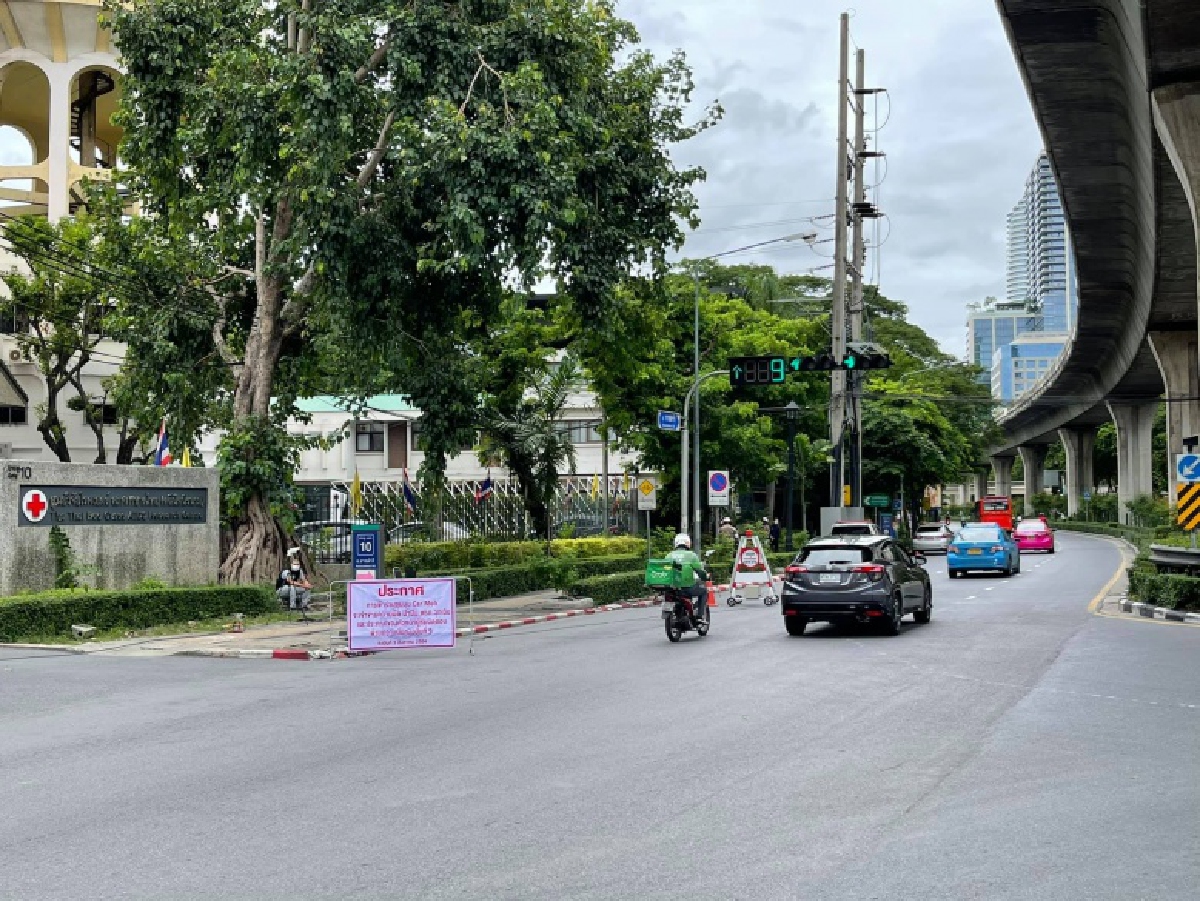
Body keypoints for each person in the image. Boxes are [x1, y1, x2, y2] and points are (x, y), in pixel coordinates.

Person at [665, 533, 708, 608]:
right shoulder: (692, 555)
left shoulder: (669, 555)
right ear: (688, 543)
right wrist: (705, 577)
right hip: (687, 587)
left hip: (672, 588)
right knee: (704, 592)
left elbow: (665, 570)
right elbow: (699, 571)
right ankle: (700, 616)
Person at [277, 547, 312, 613]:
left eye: (297, 564)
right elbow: (290, 581)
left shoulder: (300, 571)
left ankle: (304, 605)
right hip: (282, 589)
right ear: (291, 565)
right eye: (295, 564)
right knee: (292, 587)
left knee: (307, 588)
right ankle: (292, 606)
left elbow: (304, 579)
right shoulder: (286, 571)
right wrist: (302, 585)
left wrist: (307, 584)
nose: (296, 566)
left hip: (294, 588)